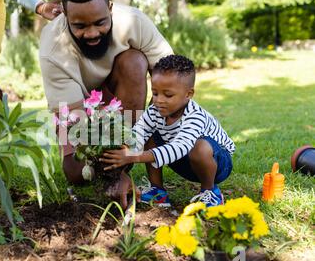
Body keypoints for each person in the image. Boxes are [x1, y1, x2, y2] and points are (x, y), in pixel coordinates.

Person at [39, 0, 173, 208]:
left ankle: (123, 162)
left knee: (134, 62)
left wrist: (151, 128)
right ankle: (116, 171)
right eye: (79, 25)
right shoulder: (52, 47)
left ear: (110, 7)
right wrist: (113, 174)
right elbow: (75, 123)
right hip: (79, 110)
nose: (91, 33)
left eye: (100, 22)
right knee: (78, 173)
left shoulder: (134, 22)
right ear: (64, 13)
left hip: (119, 96)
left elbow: (170, 75)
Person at [100, 55, 235, 207]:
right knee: (148, 133)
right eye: (155, 93)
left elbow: (180, 147)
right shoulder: (155, 111)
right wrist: (128, 149)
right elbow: (139, 132)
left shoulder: (195, 116)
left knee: (200, 147)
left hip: (216, 164)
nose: (158, 100)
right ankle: (158, 192)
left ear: (188, 94)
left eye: (168, 95)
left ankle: (210, 192)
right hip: (184, 160)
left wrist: (134, 157)